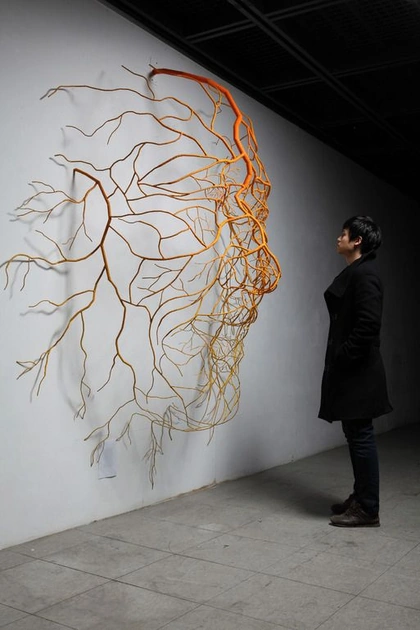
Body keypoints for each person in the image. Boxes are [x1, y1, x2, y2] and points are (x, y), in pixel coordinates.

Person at [319, 215, 392, 527]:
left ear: (357, 241)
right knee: (355, 434)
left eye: (344, 233)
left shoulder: (365, 275)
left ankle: (368, 509)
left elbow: (368, 326)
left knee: (361, 436)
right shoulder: (357, 272)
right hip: (352, 372)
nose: (339, 238)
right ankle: (361, 497)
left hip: (359, 373)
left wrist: (343, 356)